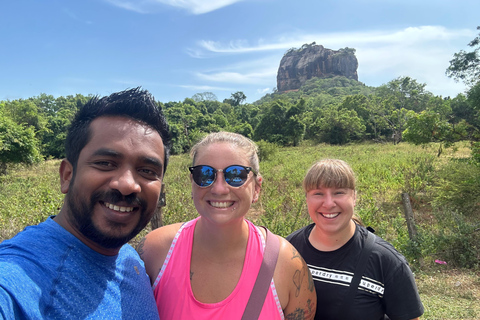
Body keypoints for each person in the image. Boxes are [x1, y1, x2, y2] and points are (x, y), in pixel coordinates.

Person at [0, 87, 170, 319]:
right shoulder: (18, 277)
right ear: (67, 175)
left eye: (147, 170)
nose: (127, 184)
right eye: (106, 163)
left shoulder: (129, 258)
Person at [138, 131, 316, 319]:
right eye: (205, 174)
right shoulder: (154, 251)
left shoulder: (286, 264)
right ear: (192, 183)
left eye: (236, 174)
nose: (219, 188)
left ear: (257, 188)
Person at [286, 159, 424, 320]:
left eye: (339, 192)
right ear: (307, 199)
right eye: (318, 193)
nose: (329, 203)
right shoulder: (288, 249)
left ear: (354, 197)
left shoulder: (387, 262)